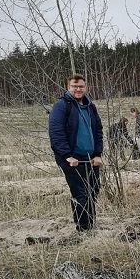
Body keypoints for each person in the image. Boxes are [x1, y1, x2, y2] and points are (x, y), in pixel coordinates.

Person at [48, 74, 103, 232]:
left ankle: (91, 224)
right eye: (75, 86)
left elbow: (98, 130)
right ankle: (83, 230)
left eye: (81, 86)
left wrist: (98, 154)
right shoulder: (61, 106)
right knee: (80, 194)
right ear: (68, 87)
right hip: (72, 158)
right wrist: (67, 155)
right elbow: (56, 133)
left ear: (86, 88)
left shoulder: (90, 106)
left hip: (91, 158)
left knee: (93, 191)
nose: (78, 89)